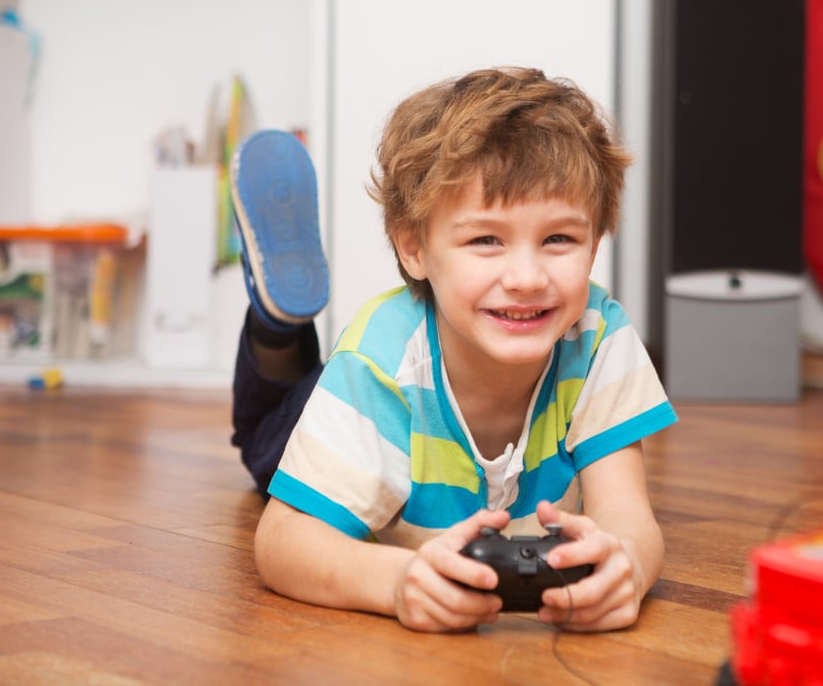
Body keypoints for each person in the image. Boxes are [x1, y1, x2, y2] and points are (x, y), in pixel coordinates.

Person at [230, 66, 678, 633]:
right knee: (272, 443)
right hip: (374, 407)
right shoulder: (379, 361)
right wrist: (396, 581)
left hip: (398, 426)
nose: (526, 277)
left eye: (559, 239)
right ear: (413, 247)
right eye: (486, 240)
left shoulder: (596, 337)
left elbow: (628, 516)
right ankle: (277, 327)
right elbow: (283, 542)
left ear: (596, 243)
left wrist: (627, 568)